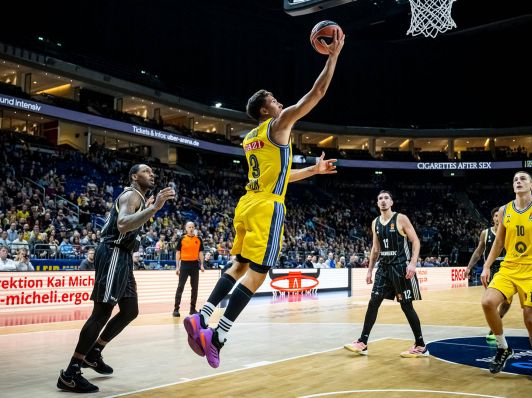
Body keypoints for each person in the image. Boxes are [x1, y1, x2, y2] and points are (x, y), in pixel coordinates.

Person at [183, 31, 344, 369]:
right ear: (263, 109)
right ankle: (218, 335)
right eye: (272, 99)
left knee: (239, 265)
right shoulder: (277, 124)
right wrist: (333, 56)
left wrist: (312, 170)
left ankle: (203, 317)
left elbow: (280, 175)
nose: (279, 101)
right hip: (268, 206)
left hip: (248, 204)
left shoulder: (251, 138)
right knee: (259, 272)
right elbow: (317, 93)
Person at [57, 164, 175, 393]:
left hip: (123, 257)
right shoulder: (131, 195)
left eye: (153, 172)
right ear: (134, 176)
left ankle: (94, 352)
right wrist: (155, 209)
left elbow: (130, 228)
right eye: (147, 171)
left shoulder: (139, 198)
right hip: (112, 253)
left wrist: (150, 209)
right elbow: (122, 224)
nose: (152, 174)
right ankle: (71, 373)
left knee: (130, 310)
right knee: (101, 312)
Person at [480, 171, 532, 382]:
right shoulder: (505, 210)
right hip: (509, 268)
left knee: (530, 320)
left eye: (523, 178)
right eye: (515, 179)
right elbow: (498, 243)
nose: (518, 181)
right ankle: (503, 348)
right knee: (488, 302)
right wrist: (487, 266)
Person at [343, 190, 427, 358]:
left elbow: (415, 241)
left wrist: (412, 263)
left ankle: (420, 345)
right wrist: (369, 269)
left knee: (406, 306)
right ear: (377, 203)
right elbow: (375, 249)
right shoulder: (375, 223)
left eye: (386, 198)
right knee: (373, 302)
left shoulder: (401, 218)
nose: (383, 201)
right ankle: (363, 342)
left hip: (401, 267)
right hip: (384, 268)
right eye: (380, 198)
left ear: (391, 202)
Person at [463, 207, 511, 342]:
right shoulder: (485, 233)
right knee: (492, 301)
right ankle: (494, 329)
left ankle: (498, 319)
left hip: (507, 268)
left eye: (500, 215)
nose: (498, 218)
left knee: (507, 301)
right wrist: (469, 267)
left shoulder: (510, 231)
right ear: (493, 218)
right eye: (496, 215)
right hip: (491, 268)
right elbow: (478, 252)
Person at [173, 221, 204, 317]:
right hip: (184, 265)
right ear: (186, 228)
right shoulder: (182, 239)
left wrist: (202, 264)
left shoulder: (198, 239)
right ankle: (176, 309)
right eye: (189, 227)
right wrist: (177, 267)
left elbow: (201, 253)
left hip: (195, 265)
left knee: (195, 288)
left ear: (194, 228)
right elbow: (178, 253)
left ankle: (192, 309)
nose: (191, 228)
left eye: (192, 227)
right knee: (180, 287)